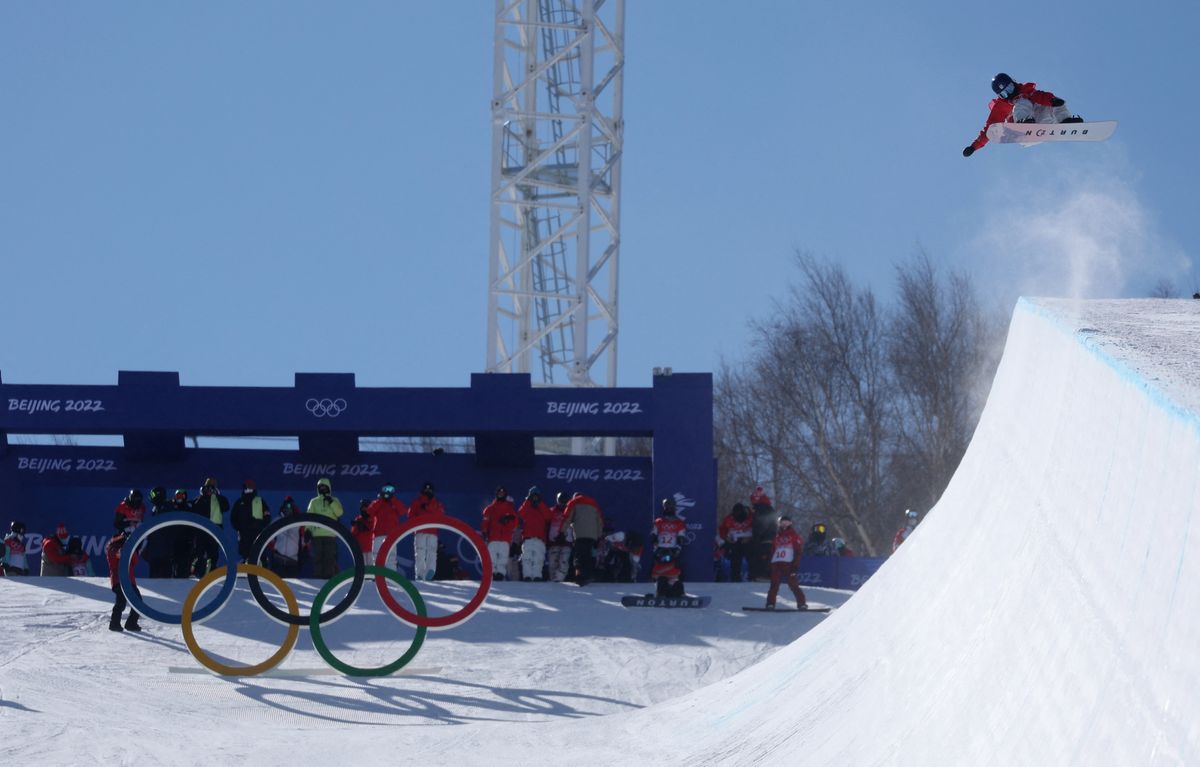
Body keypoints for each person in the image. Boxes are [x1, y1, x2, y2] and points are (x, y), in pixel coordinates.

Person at [963, 72, 1083, 157]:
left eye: (1009, 89)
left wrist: (1052, 100)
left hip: (1041, 124)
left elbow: (1041, 96)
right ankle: (1024, 123)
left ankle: (1065, 121)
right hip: (1022, 133)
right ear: (1000, 96)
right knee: (1021, 102)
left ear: (1013, 82)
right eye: (1004, 94)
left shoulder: (1027, 91)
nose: (1009, 94)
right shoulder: (1002, 106)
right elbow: (989, 128)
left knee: (1054, 103)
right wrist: (974, 147)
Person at [106, 516, 142, 632]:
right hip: (118, 580)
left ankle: (131, 623)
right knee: (121, 602)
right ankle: (114, 624)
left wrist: (130, 549)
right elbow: (114, 556)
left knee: (138, 602)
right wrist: (122, 549)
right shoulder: (112, 546)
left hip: (130, 580)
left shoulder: (129, 548)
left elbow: (135, 562)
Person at [765, 515, 807, 610]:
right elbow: (772, 550)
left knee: (793, 584)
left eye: (786, 522)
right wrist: (769, 564)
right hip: (776, 563)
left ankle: (801, 603)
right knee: (774, 584)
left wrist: (795, 565)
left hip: (788, 564)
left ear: (790, 523)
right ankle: (770, 603)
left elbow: (798, 551)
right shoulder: (776, 536)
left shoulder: (793, 535)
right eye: (782, 522)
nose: (784, 524)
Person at [306, 478, 345, 578]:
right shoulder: (314, 501)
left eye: (324, 487)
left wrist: (331, 502)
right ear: (318, 489)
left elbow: (339, 513)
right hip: (317, 535)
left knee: (329, 558)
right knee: (318, 557)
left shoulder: (335, 500)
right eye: (320, 487)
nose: (323, 489)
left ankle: (329, 579)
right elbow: (309, 516)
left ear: (329, 488)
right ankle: (318, 578)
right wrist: (307, 530)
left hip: (330, 534)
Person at [563, 491, 604, 585]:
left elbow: (567, 518)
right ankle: (588, 576)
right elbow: (600, 522)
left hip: (580, 535)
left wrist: (562, 532)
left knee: (579, 556)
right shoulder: (594, 504)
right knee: (588, 556)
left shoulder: (574, 503)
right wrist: (598, 536)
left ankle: (579, 576)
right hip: (592, 537)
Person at [650, 498, 688, 597]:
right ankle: (660, 591)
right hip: (660, 549)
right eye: (667, 507)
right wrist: (656, 549)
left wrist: (677, 549)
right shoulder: (658, 521)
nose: (669, 509)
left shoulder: (679, 523)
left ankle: (678, 591)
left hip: (673, 550)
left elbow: (681, 538)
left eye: (671, 507)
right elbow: (654, 536)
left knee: (675, 571)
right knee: (660, 572)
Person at [191, 478, 229, 577]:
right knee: (199, 552)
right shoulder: (200, 499)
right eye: (208, 488)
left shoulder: (218, 499)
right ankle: (198, 573)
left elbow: (226, 507)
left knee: (213, 553)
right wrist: (203, 495)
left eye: (211, 488)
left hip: (215, 529)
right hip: (202, 530)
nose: (209, 490)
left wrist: (217, 494)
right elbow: (194, 508)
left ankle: (211, 573)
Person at [407, 482, 444, 580]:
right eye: (426, 490)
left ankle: (429, 572)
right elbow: (410, 516)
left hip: (432, 532)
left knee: (430, 552)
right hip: (421, 531)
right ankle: (420, 574)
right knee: (420, 552)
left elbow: (441, 516)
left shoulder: (437, 503)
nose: (428, 492)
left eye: (429, 490)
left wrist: (427, 508)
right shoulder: (417, 502)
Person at [481, 486, 518, 581]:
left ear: (505, 495)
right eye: (499, 493)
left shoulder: (510, 508)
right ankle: (491, 573)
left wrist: (508, 519)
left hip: (505, 537)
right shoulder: (490, 508)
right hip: (493, 537)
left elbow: (515, 523)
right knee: (491, 557)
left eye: (503, 493)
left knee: (503, 557)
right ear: (496, 494)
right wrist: (484, 532)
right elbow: (485, 521)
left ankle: (500, 574)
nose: (501, 495)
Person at [367, 483, 407, 570]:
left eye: (390, 489)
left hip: (391, 534)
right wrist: (381, 499)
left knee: (391, 556)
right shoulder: (377, 502)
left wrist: (393, 499)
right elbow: (370, 512)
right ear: (382, 490)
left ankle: (391, 577)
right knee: (377, 555)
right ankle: (377, 576)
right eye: (386, 489)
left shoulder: (394, 503)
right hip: (379, 534)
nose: (388, 492)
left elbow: (403, 511)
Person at [230, 480, 271, 564]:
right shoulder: (240, 502)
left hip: (258, 533)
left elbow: (267, 516)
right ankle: (247, 571)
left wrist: (259, 525)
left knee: (260, 554)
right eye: (247, 487)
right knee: (246, 555)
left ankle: (262, 572)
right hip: (244, 535)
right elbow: (233, 518)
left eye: (249, 487)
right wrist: (240, 528)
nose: (248, 489)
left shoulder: (260, 501)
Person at [517, 486, 551, 581]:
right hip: (528, 538)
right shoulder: (527, 507)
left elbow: (548, 517)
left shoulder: (542, 506)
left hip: (539, 538)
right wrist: (528, 501)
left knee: (538, 559)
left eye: (536, 496)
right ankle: (527, 576)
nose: (534, 498)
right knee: (526, 559)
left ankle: (537, 576)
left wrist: (540, 504)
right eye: (533, 496)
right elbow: (520, 513)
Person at [143, 486, 176, 578]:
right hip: (155, 553)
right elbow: (152, 532)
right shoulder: (155, 509)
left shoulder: (168, 507)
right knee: (154, 577)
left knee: (166, 577)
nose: (152, 497)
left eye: (153, 494)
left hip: (165, 552)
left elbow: (169, 530)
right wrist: (148, 550)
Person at [269, 496, 306, 578]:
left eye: (290, 506)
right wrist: (275, 548)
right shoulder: (276, 521)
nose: (287, 508)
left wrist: (301, 554)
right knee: (275, 585)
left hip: (292, 560)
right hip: (278, 559)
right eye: (286, 506)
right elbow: (269, 538)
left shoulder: (299, 523)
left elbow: (304, 540)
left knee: (290, 587)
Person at [718, 503, 755, 582]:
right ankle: (735, 577)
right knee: (735, 559)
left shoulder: (751, 517)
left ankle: (753, 576)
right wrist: (726, 538)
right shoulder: (729, 519)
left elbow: (758, 530)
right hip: (734, 541)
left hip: (749, 541)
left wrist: (751, 538)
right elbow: (722, 530)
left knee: (752, 558)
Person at [546, 491, 573, 582]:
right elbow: (546, 525)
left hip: (567, 541)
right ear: (557, 500)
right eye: (561, 501)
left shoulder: (571, 512)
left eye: (565, 501)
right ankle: (553, 580)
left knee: (564, 561)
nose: (563, 503)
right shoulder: (551, 511)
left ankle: (559, 580)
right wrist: (546, 539)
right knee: (553, 562)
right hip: (554, 541)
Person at [169, 489, 193, 577]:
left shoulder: (189, 507)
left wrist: (191, 538)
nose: (179, 498)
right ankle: (174, 576)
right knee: (173, 561)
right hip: (174, 539)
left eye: (181, 496)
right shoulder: (171, 506)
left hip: (186, 540)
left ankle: (184, 576)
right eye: (177, 496)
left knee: (185, 560)